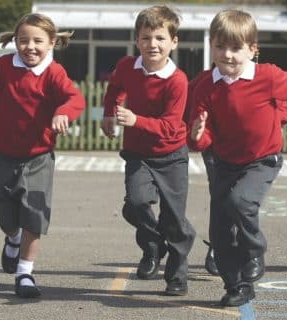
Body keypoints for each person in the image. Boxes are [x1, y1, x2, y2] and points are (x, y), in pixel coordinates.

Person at [0, 13, 85, 298]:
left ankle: (25, 273)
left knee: (34, 214)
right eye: (23, 41)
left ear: (52, 43)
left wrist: (63, 112)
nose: (30, 47)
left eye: (37, 41)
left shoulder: (54, 72)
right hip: (6, 156)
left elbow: (74, 99)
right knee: (3, 211)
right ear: (15, 41)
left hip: (39, 156)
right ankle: (12, 239)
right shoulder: (4, 66)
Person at [188, 9, 287, 307]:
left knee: (240, 202)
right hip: (225, 163)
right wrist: (196, 134)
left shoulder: (268, 76)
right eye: (220, 47)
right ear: (211, 45)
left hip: (263, 159)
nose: (227, 55)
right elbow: (203, 140)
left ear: (252, 50)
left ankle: (255, 250)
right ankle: (237, 285)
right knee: (219, 230)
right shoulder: (205, 85)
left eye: (235, 48)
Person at [101, 5, 196, 296]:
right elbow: (115, 87)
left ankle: (177, 276)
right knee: (137, 204)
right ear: (136, 40)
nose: (152, 44)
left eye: (159, 38)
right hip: (138, 154)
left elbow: (170, 126)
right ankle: (152, 246)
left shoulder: (177, 81)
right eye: (145, 38)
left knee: (174, 220)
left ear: (173, 42)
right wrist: (108, 113)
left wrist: (135, 120)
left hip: (171, 155)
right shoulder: (128, 66)